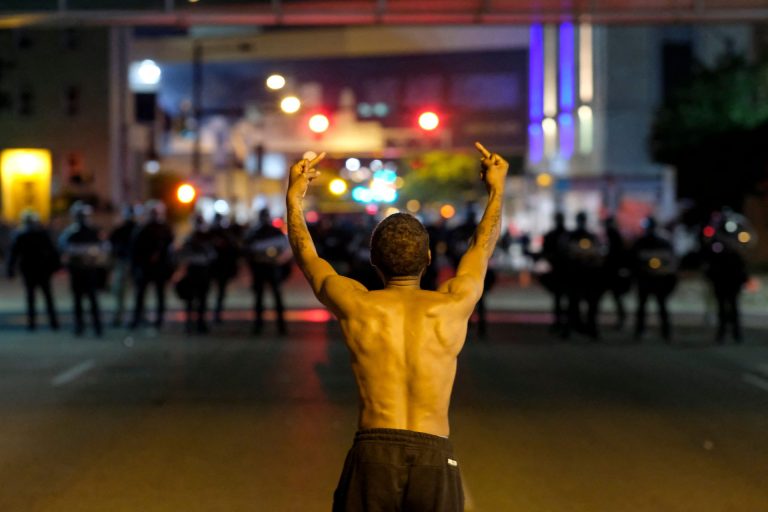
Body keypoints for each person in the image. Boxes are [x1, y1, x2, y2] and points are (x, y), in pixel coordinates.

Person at [286, 142, 507, 511]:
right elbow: (481, 248)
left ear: (374, 259)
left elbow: (307, 256)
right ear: (429, 258)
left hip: (374, 452)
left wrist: (294, 198)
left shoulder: (358, 305)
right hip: (433, 453)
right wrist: (497, 189)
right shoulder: (452, 305)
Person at [5, 209, 60, 331]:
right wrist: (10, 269)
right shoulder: (25, 236)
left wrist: (10, 269)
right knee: (37, 297)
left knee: (40, 296)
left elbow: (52, 252)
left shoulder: (32, 235)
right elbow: (14, 254)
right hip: (33, 270)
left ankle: (42, 323)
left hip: (37, 270)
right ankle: (41, 323)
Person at [59, 202, 108, 336]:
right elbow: (64, 250)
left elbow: (104, 249)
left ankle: (95, 327)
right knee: (81, 300)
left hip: (88, 270)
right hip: (79, 271)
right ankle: (83, 327)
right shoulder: (71, 233)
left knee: (90, 300)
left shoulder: (93, 232)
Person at [243, 208, 291, 335]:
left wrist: (278, 260)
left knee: (272, 296)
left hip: (270, 268)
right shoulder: (255, 233)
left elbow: (285, 250)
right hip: (263, 268)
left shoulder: (267, 232)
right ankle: (264, 325)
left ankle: (277, 325)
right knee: (263, 297)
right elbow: (247, 251)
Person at [630, 217, 678, 342]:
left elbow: (671, 262)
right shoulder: (642, 243)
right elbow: (634, 261)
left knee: (656, 306)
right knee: (647, 306)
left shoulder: (656, 243)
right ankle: (654, 331)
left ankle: (662, 331)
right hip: (648, 279)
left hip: (655, 279)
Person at [129, 201, 174, 330]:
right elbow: (135, 249)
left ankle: (159, 319)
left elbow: (169, 248)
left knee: (159, 294)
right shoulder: (143, 229)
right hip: (146, 267)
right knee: (141, 294)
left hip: (159, 268)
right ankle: (138, 319)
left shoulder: (164, 229)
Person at [564, 211, 605, 339]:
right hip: (580, 275)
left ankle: (586, 329)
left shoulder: (587, 237)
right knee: (576, 304)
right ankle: (580, 328)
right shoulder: (577, 237)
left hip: (585, 276)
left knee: (583, 304)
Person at [175, 215, 216, 334]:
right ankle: (192, 323)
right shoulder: (190, 239)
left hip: (200, 271)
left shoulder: (204, 239)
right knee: (192, 299)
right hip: (194, 271)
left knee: (200, 300)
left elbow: (212, 255)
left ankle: (198, 324)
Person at [108, 204, 138, 327]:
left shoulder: (135, 229)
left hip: (130, 263)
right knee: (123, 292)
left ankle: (123, 316)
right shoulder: (129, 229)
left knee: (126, 292)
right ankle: (123, 316)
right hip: (126, 263)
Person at [209, 213, 240, 324]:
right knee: (216, 292)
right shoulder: (213, 233)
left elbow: (233, 250)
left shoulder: (224, 234)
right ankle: (215, 314)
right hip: (214, 267)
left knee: (219, 292)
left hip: (219, 268)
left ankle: (216, 314)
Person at [603, 216, 631, 330]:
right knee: (616, 297)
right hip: (613, 272)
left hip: (612, 272)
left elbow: (615, 255)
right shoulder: (615, 236)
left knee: (616, 297)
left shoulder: (613, 236)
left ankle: (622, 318)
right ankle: (621, 318)